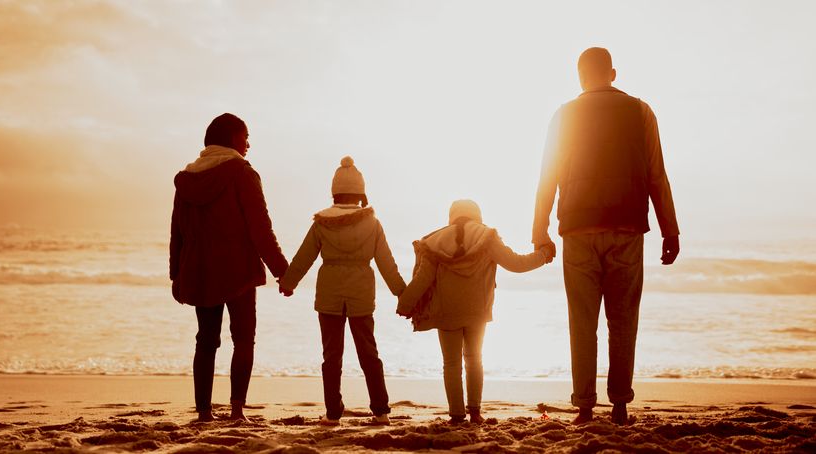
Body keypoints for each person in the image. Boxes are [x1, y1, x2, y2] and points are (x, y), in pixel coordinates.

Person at [532, 47, 680, 425]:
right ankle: (619, 405)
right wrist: (670, 228)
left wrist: (540, 229)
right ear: (612, 73)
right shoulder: (641, 111)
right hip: (627, 228)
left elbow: (547, 175)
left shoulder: (564, 115)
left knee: (582, 321)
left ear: (580, 76)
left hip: (578, 229)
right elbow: (656, 174)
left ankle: (584, 405)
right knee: (622, 319)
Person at [170, 113, 289, 422]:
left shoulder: (187, 179)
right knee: (243, 339)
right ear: (232, 138)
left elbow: (177, 232)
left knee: (206, 340)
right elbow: (259, 228)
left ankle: (205, 413)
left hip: (200, 270)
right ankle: (237, 410)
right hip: (238, 270)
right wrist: (282, 270)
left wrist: (177, 273)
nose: (248, 143)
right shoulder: (242, 173)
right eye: (245, 136)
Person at [397, 200, 553, 424]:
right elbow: (516, 263)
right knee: (474, 360)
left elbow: (423, 279)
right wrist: (544, 255)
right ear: (477, 215)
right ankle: (475, 412)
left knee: (451, 364)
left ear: (452, 216)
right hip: (477, 311)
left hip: (446, 312)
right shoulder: (487, 237)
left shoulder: (435, 242)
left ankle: (457, 415)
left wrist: (405, 305)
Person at [278, 156, 406, 426]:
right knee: (369, 352)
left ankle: (333, 413)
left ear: (334, 192)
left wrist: (288, 283)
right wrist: (402, 293)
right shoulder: (372, 223)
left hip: (329, 293)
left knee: (331, 356)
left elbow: (304, 257)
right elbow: (386, 262)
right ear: (360, 192)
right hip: (361, 292)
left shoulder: (322, 222)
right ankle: (381, 410)